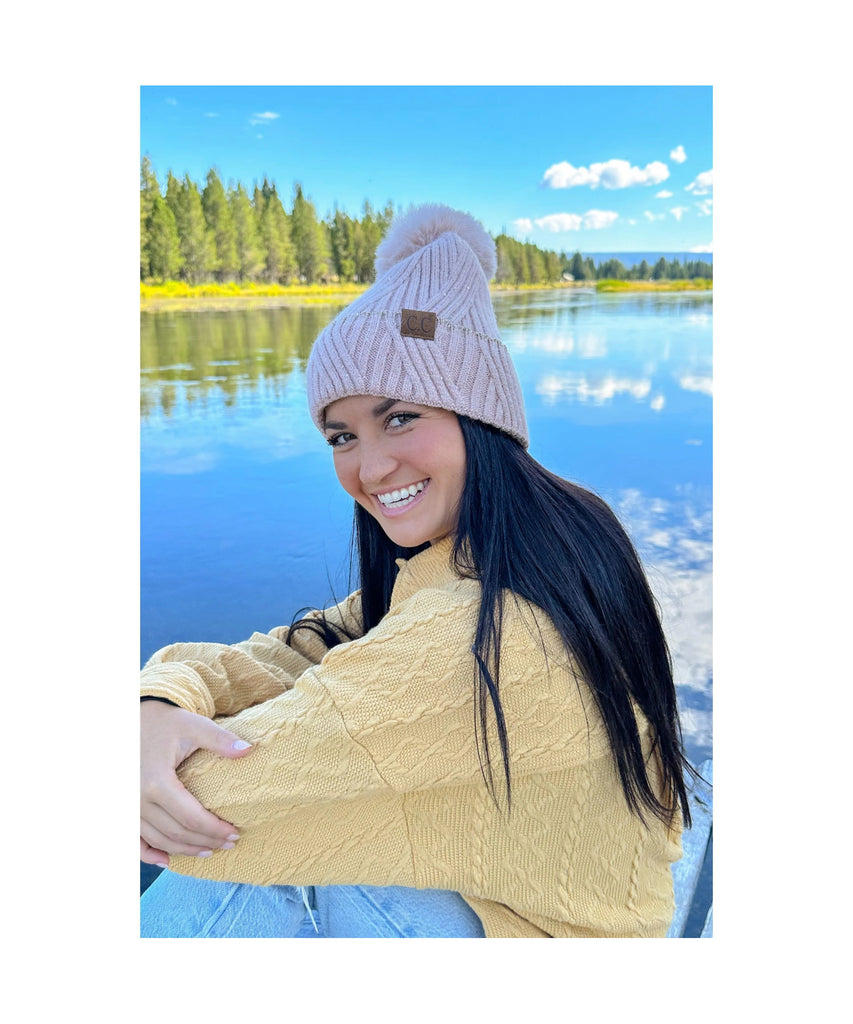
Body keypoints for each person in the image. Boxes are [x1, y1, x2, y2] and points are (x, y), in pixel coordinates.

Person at [140, 203, 696, 938]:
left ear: (480, 417)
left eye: (400, 418)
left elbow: (197, 805)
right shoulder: (543, 541)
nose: (369, 468)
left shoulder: (481, 638)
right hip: (579, 912)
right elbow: (312, 645)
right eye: (342, 435)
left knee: (237, 873)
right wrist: (159, 699)